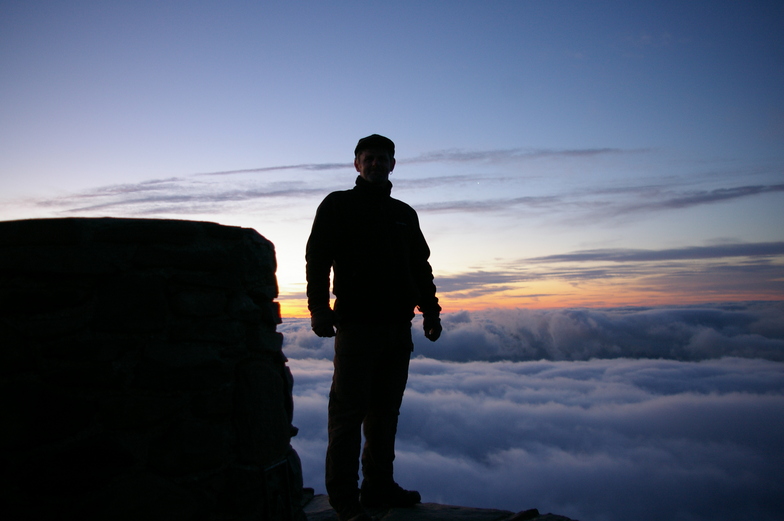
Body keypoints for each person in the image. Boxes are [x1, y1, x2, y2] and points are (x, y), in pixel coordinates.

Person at [306, 134, 443, 521]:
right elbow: (317, 260)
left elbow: (420, 267)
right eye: (368, 158)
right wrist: (318, 309)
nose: (375, 164)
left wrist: (430, 311)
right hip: (356, 326)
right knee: (348, 415)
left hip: (398, 326)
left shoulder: (404, 213)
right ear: (356, 164)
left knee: (385, 412)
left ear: (392, 165)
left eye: (382, 159)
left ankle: (379, 487)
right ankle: (345, 500)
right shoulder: (338, 205)